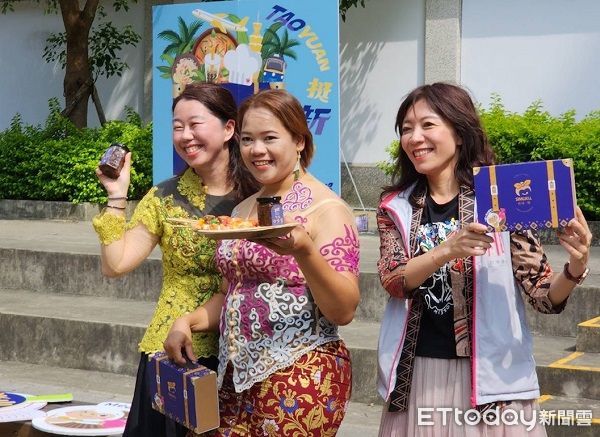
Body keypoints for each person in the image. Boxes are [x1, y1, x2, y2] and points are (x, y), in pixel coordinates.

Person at [376, 83, 592, 436]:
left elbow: (542, 294)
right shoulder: (395, 205)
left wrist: (576, 267)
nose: (415, 138)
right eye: (406, 129)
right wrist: (446, 250)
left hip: (493, 380)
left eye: (428, 125)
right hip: (419, 373)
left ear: (459, 133)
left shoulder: (501, 196)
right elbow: (393, 279)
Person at [164, 89, 361, 436]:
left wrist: (304, 250)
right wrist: (187, 321)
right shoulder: (244, 209)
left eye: (270, 138)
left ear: (299, 141)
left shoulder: (326, 209)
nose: (257, 150)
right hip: (234, 379)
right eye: (247, 139)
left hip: (300, 375)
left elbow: (343, 309)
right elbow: (232, 294)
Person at [92, 83, 259, 437]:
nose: (185, 136)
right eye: (177, 126)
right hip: (172, 353)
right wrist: (117, 197)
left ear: (229, 129)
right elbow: (115, 264)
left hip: (243, 354)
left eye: (195, 124)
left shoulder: (260, 197)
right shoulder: (165, 196)